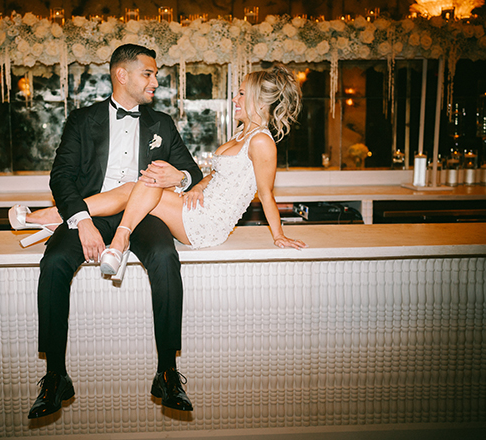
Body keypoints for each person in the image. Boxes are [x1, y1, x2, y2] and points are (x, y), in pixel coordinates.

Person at [23, 44, 203, 420]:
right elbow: (62, 177)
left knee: (166, 257)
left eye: (155, 74)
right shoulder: (82, 120)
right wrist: (82, 222)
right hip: (92, 212)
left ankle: (167, 371)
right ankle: (55, 374)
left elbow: (193, 173)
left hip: (142, 214)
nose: (155, 80)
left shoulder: (162, 124)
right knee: (54, 261)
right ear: (122, 75)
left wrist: (180, 176)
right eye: (148, 73)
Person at [23, 65, 307, 270]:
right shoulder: (242, 134)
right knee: (139, 184)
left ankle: (98, 230)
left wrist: (279, 235)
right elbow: (218, 175)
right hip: (200, 206)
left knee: (143, 183)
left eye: (242, 94)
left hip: (208, 224)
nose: (235, 99)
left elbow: (266, 194)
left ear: (259, 99)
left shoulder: (261, 142)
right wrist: (196, 186)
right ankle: (64, 216)